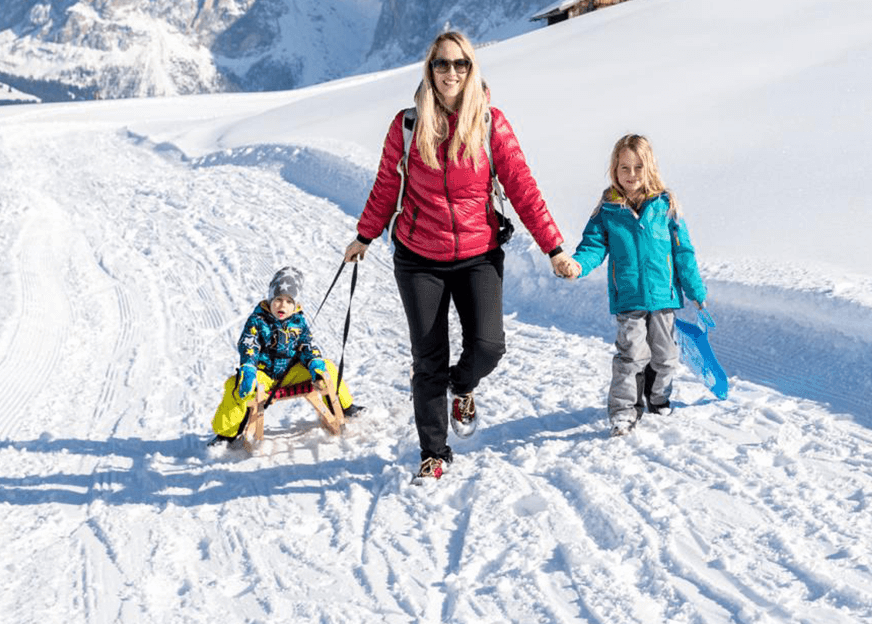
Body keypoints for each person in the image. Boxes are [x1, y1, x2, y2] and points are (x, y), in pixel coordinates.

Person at [345, 31, 575, 480]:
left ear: (472, 70)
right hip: (418, 257)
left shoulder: (490, 123)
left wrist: (554, 247)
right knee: (428, 358)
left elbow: (523, 188)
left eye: (460, 64)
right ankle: (433, 452)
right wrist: (365, 236)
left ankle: (462, 386)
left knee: (489, 346)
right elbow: (386, 187)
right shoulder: (408, 125)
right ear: (429, 70)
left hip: (478, 253)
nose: (451, 72)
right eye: (442, 64)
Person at [565, 134, 707, 436]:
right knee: (631, 355)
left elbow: (683, 252)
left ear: (650, 167)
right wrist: (578, 265)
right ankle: (623, 412)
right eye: (624, 168)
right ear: (614, 170)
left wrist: (696, 290)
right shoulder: (608, 211)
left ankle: (657, 397)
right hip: (629, 298)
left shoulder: (665, 206)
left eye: (638, 167)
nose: (631, 175)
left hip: (664, 297)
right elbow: (593, 246)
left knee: (667, 357)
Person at [209, 266, 355, 444]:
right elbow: (249, 344)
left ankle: (345, 408)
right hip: (265, 375)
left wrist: (314, 362)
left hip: (291, 374)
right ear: (270, 298)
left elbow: (307, 344)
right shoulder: (257, 320)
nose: (282, 305)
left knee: (328, 367)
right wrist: (248, 369)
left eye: (288, 301)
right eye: (278, 299)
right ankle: (226, 433)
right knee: (236, 384)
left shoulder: (298, 321)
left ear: (295, 304)